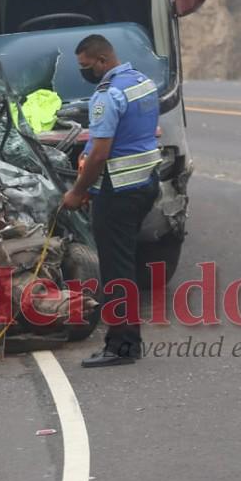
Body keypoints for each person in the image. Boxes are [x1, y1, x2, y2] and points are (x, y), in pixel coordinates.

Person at [61, 35, 160, 367]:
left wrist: (78, 191)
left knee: (117, 271)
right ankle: (126, 341)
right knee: (125, 264)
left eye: (86, 66)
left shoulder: (107, 95)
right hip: (145, 183)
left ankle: (122, 346)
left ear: (102, 60)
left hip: (119, 192)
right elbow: (138, 132)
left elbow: (101, 153)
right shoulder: (142, 82)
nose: (84, 72)